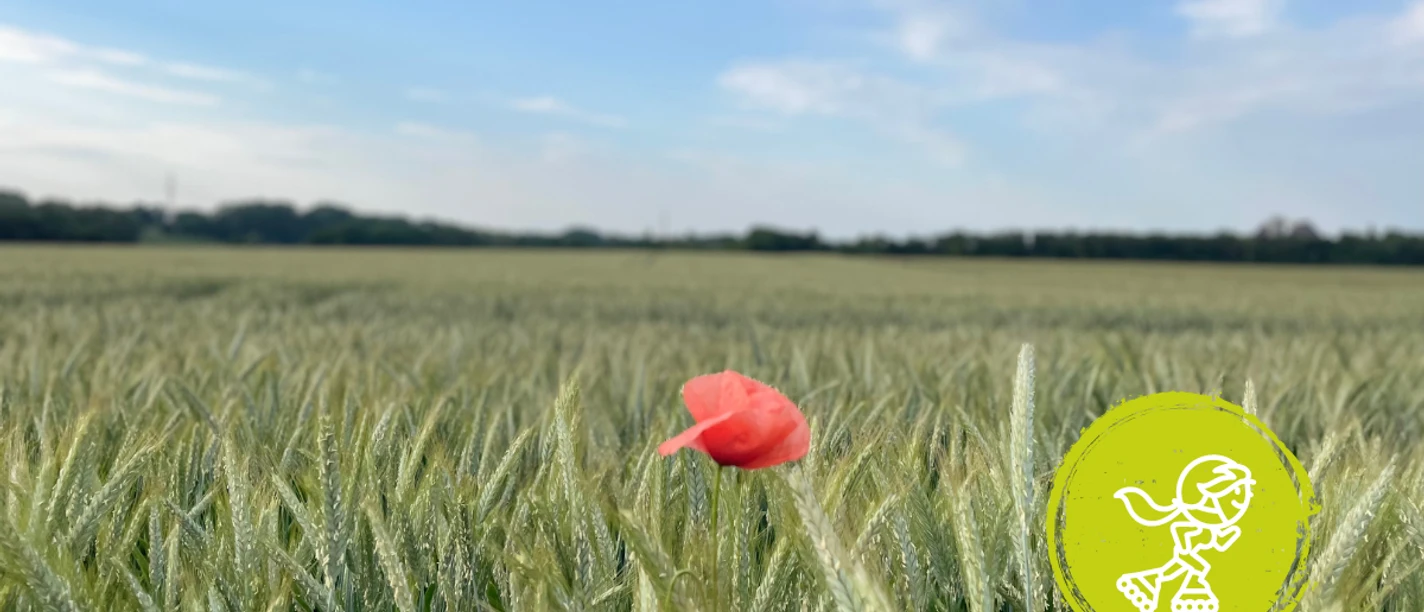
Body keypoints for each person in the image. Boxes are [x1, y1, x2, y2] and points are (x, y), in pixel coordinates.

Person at [1113, 455, 1254, 612]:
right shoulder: (1200, 516)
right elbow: (1179, 528)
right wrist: (1186, 550)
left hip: (1187, 556)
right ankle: (1187, 590)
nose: (1241, 500)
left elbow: (1219, 542)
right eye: (1236, 491)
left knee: (1171, 574)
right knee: (1199, 569)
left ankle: (1151, 583)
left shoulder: (1214, 522)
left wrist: (1233, 533)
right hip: (1184, 554)